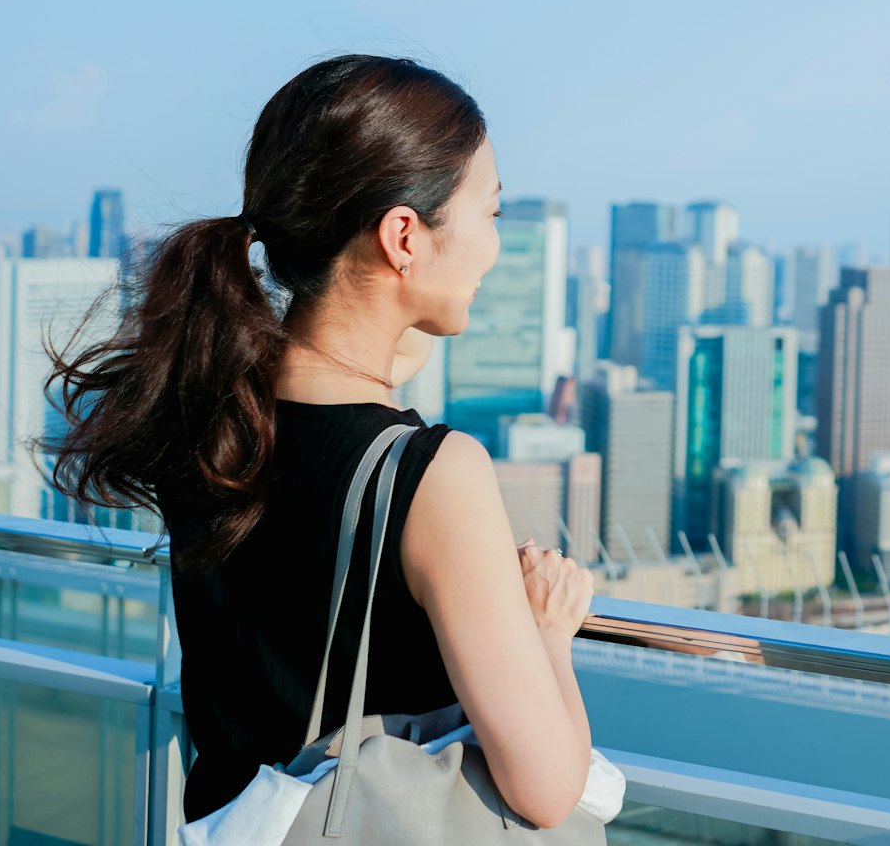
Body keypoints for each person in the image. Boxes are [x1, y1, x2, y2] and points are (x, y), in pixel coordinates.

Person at [43, 55, 597, 830]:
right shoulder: (433, 474)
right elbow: (546, 790)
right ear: (404, 234)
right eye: (492, 214)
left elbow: (357, 377)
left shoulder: (205, 414)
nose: (495, 247)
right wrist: (548, 635)